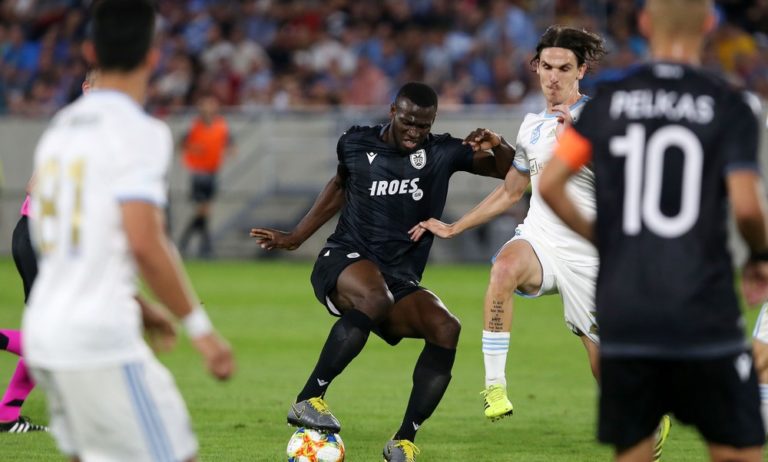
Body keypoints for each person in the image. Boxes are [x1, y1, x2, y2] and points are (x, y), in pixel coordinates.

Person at [539, 0, 766, 460]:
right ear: (709, 24)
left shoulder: (608, 102)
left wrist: (606, 239)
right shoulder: (731, 104)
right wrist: (760, 257)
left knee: (636, 450)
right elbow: (746, 208)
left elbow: (550, 184)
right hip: (703, 303)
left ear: (644, 24)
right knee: (736, 451)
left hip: (628, 304)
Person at [250, 82, 512, 461]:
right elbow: (339, 186)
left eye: (423, 125)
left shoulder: (440, 152)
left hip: (398, 279)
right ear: (393, 111)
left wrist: (498, 143)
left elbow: (510, 173)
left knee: (446, 327)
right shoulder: (355, 143)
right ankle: (309, 398)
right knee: (375, 296)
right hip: (344, 259)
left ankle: (403, 441)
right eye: (408, 121)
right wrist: (295, 238)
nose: (414, 132)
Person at [24, 1, 235, 460]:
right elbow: (145, 241)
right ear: (152, 57)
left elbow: (66, 245)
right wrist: (199, 329)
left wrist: (138, 304)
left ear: (90, 52)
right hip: (99, 339)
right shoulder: (140, 132)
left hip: (44, 331)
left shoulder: (59, 131)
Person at [178, 93, 235, 258]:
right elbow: (183, 144)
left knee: (204, 211)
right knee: (203, 210)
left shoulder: (221, 126)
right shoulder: (194, 126)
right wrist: (193, 149)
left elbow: (231, 145)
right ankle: (204, 245)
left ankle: (188, 243)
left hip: (212, 172)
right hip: (199, 172)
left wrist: (227, 152)